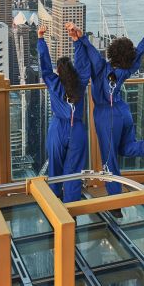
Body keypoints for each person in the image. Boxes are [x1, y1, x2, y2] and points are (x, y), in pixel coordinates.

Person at [66, 23, 144, 217]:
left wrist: (80, 38)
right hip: (123, 111)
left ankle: (115, 204)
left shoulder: (101, 68)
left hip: (107, 116)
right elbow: (137, 53)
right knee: (124, 147)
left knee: (109, 160)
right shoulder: (126, 70)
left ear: (112, 53)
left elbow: (93, 54)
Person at [37, 24, 90, 203]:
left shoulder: (53, 83)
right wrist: (76, 40)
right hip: (77, 130)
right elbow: (83, 65)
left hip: (58, 128)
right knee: (73, 171)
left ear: (58, 72)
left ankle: (55, 203)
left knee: (55, 167)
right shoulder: (80, 83)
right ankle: (72, 207)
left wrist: (40, 39)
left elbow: (44, 67)